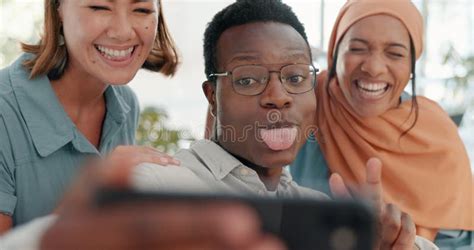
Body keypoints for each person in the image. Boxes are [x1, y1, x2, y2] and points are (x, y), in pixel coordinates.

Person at [0, 1, 437, 249]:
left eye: (295, 78)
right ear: (213, 98)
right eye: (247, 79)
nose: (278, 95)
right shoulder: (161, 189)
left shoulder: (121, 104)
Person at [289, 0, 473, 243]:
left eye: (395, 53)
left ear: (411, 64)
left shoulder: (437, 134)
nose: (374, 68)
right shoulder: (303, 104)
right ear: (334, 52)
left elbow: (459, 243)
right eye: (357, 48)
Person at [0, 0, 181, 232]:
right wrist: (89, 193)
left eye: (142, 10)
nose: (123, 31)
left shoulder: (125, 104)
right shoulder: (6, 111)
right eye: (99, 7)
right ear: (58, 10)